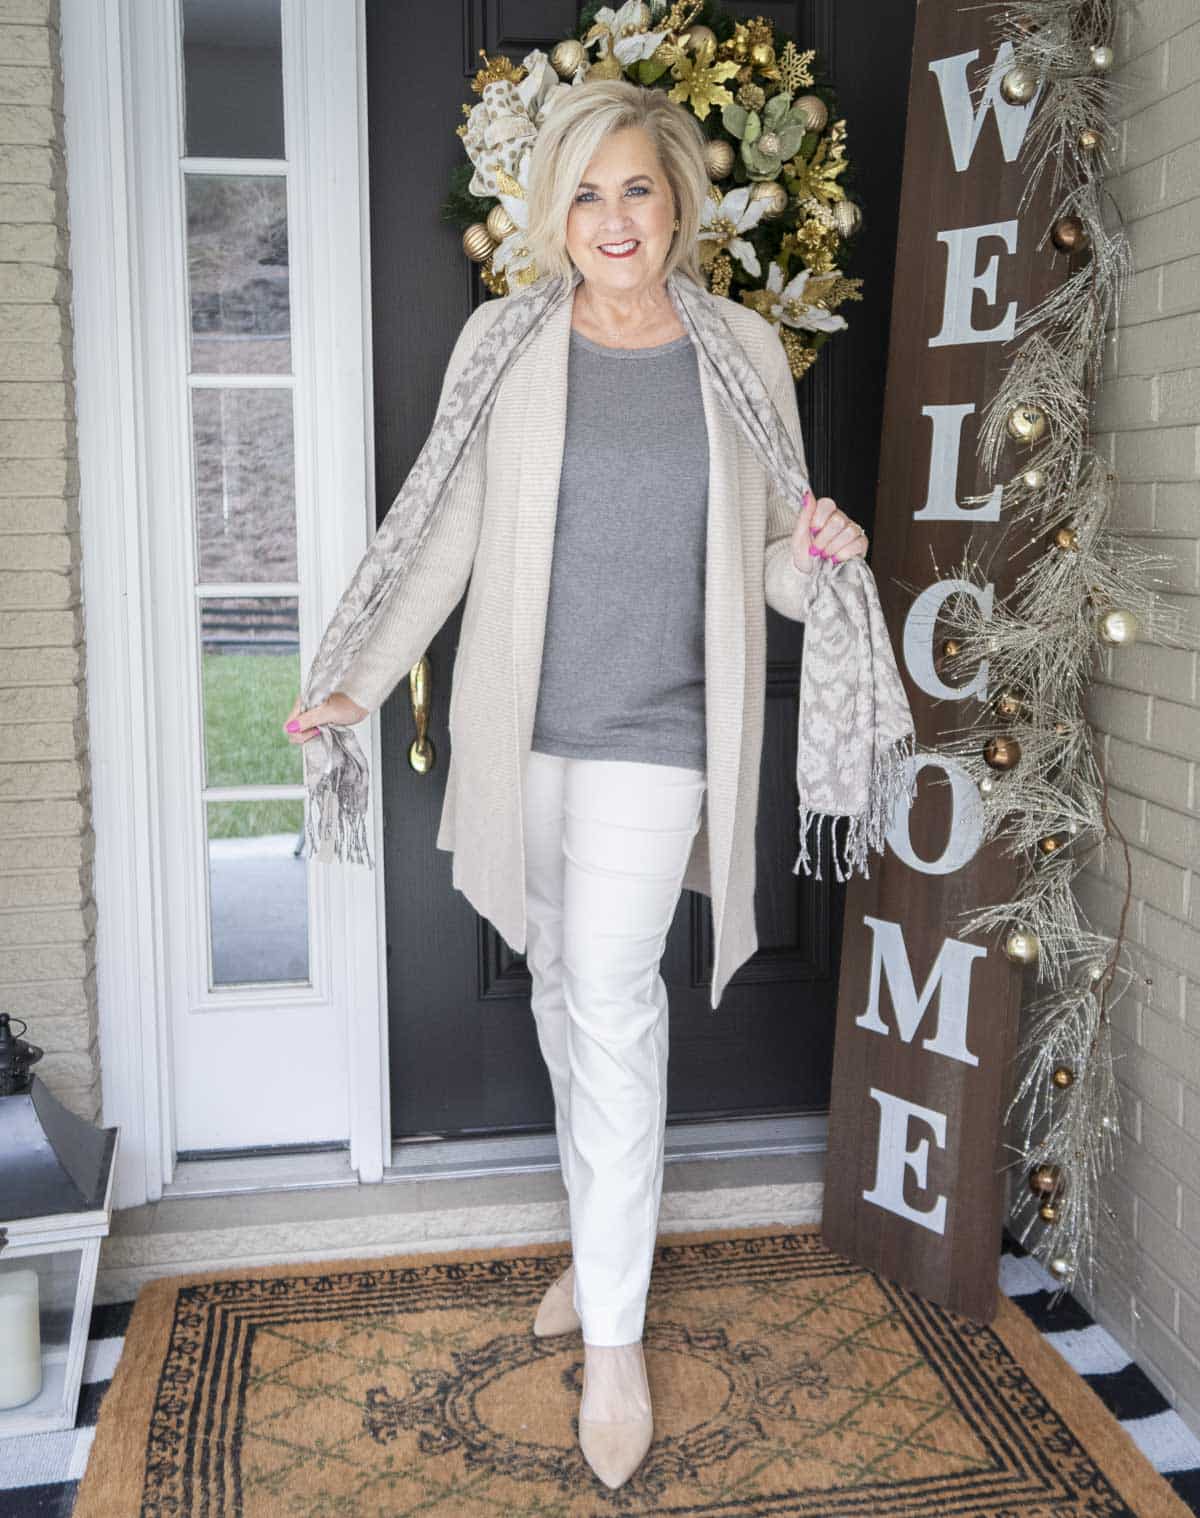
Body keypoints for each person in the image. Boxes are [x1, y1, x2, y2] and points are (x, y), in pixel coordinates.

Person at [284, 79, 867, 1492]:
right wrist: (359, 677)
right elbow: (450, 530)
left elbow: (773, 558)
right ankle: (598, 1249)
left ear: (679, 206)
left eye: (640, 191)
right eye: (589, 194)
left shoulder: (739, 352)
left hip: (660, 736)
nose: (616, 219)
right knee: (557, 985)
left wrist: (825, 551)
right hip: (519, 732)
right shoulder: (509, 340)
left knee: (610, 1001)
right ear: (556, 213)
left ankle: (614, 1337)